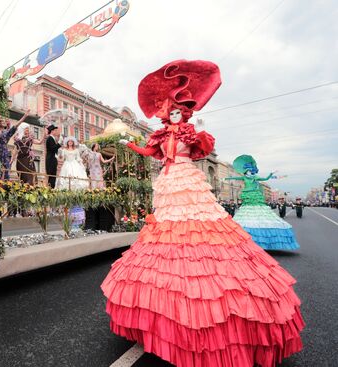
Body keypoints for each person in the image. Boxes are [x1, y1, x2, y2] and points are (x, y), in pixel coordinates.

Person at [101, 60, 303, 367]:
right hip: (168, 183)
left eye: (179, 112)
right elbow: (148, 153)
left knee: (198, 226)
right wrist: (128, 142)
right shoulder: (160, 137)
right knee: (168, 229)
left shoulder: (187, 134)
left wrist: (199, 134)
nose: (174, 115)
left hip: (187, 180)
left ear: (185, 114)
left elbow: (203, 150)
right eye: (171, 112)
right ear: (165, 114)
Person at [226, 155, 299, 250]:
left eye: (250, 171)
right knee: (246, 214)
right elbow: (235, 178)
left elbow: (265, 179)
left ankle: (262, 238)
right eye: (247, 171)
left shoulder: (255, 177)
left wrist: (271, 173)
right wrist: (225, 179)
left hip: (255, 196)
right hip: (247, 196)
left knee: (259, 213)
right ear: (245, 171)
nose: (249, 172)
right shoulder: (244, 178)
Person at [0, 109, 29, 180]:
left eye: (3, 121)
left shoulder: (7, 132)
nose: (2, 122)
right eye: (0, 120)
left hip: (4, 153)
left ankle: (4, 186)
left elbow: (15, 126)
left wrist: (24, 116)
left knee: (5, 170)